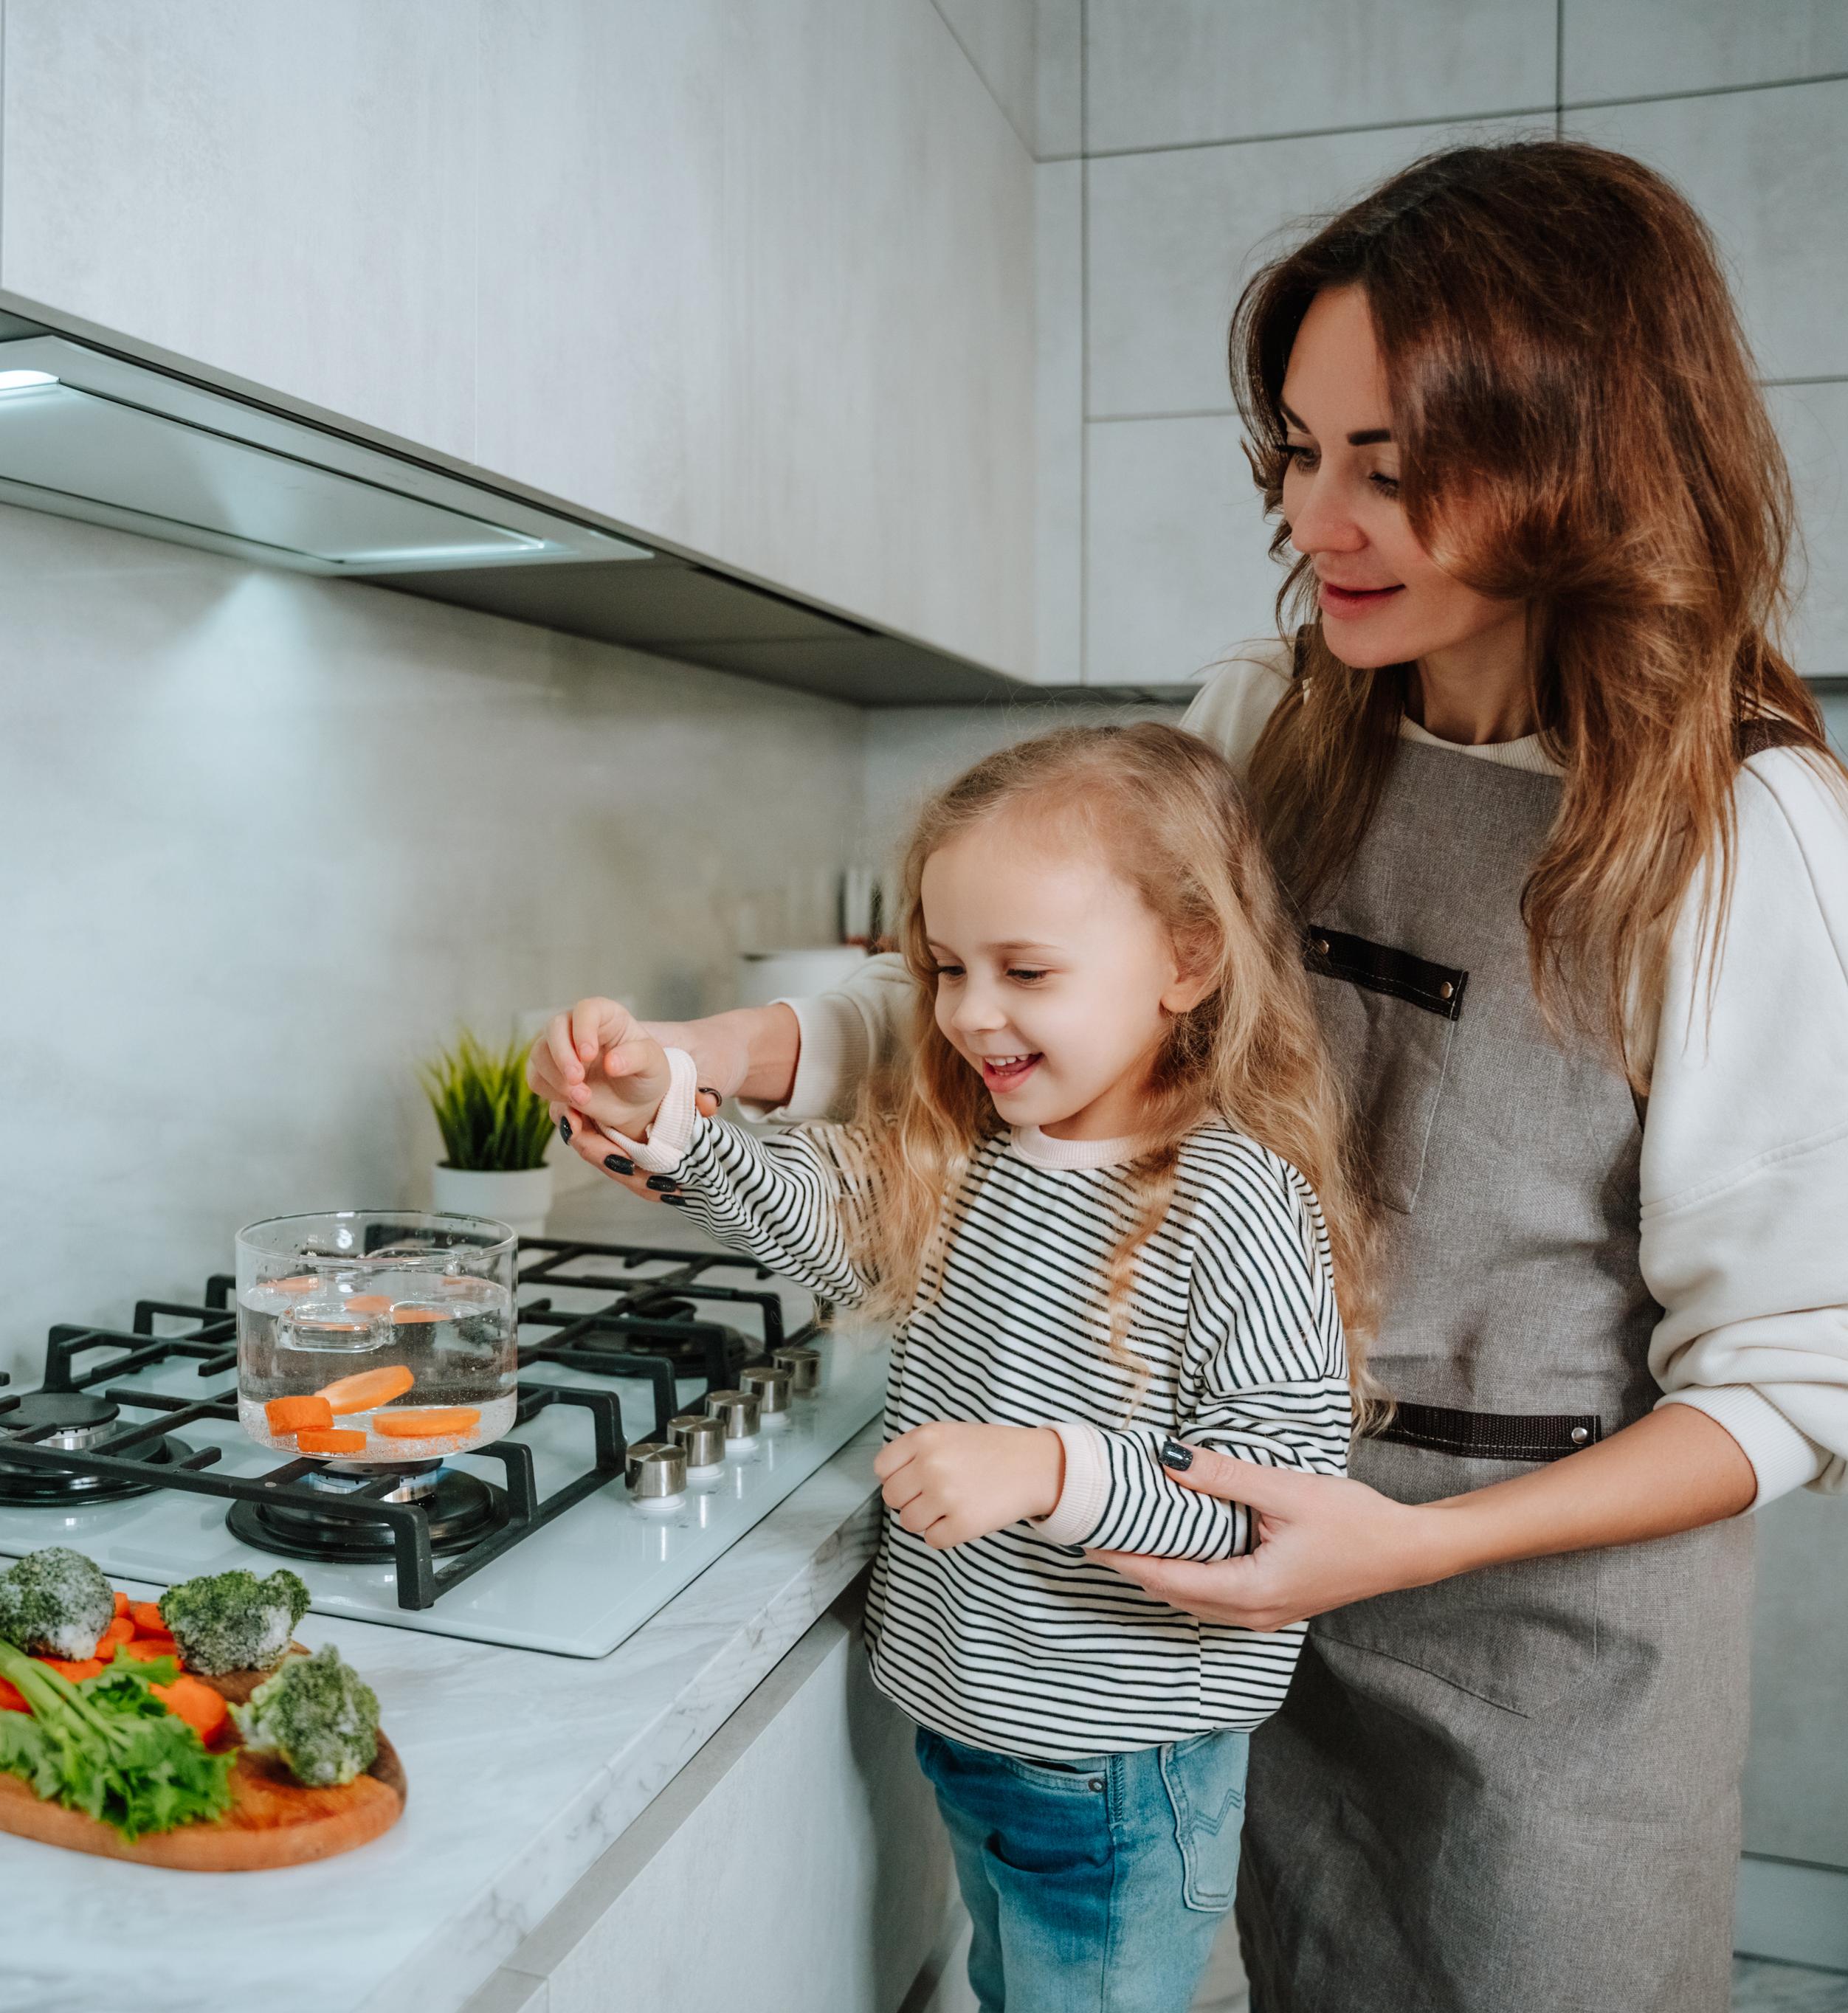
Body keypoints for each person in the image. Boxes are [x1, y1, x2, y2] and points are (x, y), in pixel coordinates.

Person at [534, 141, 1848, 2012]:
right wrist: (721, 1060)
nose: (1320, 513)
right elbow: (1050, 1012)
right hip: (1209, 1590)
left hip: (1539, 1654)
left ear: (1583, 453)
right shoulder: (1270, 720)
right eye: (1298, 454)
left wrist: (1409, 1537)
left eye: (1386, 466)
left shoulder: (1742, 830)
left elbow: (1794, 1378)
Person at [545, 722, 1364, 2013]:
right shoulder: (975, 1150)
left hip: (1116, 1766)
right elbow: (811, 1200)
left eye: (1025, 970)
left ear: (1188, 960)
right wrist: (668, 1101)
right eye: (945, 968)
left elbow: (1276, 1509)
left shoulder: (1238, 1205)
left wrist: (1049, 1471)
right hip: (975, 1722)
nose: (972, 1013)